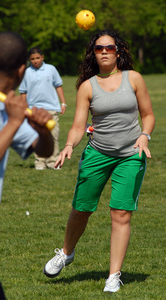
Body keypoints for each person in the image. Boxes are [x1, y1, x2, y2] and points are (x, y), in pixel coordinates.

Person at [43, 30, 155, 293]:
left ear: (119, 52)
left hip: (131, 154)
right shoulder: (87, 86)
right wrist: (69, 145)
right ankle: (66, 253)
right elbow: (78, 126)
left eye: (110, 47)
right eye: (99, 48)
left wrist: (144, 135)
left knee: (121, 212)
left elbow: (148, 115)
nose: (104, 51)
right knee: (82, 209)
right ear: (93, 53)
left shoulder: (134, 79)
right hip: (98, 154)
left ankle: (113, 275)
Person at [0, 32, 54, 300]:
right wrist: (12, 124)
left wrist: (42, 132)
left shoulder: (5, 103)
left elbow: (43, 151)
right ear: (22, 69)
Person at [19, 47, 67, 170]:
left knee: (53, 135)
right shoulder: (26, 72)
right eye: (32, 59)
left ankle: (53, 162)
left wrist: (63, 103)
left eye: (37, 58)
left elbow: (58, 86)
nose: (35, 61)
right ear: (29, 60)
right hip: (34, 110)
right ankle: (40, 163)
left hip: (51, 108)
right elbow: (23, 92)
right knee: (37, 136)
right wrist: (23, 108)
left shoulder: (51, 69)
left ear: (42, 57)